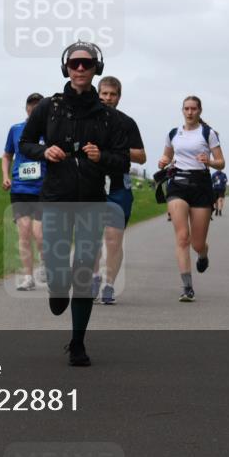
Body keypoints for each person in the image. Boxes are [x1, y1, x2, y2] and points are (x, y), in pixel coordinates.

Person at [20, 41, 129, 366]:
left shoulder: (109, 118)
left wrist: (103, 156)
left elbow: (124, 159)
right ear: (65, 68)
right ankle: (56, 287)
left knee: (83, 268)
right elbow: (25, 142)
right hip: (55, 198)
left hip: (92, 201)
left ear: (97, 68)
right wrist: (44, 152)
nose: (80, 69)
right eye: (75, 63)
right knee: (56, 263)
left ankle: (78, 343)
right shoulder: (49, 108)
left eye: (87, 63)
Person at [157, 96, 225, 303]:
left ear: (199, 110)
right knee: (182, 237)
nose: (189, 112)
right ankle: (187, 287)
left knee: (196, 243)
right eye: (186, 108)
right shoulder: (173, 133)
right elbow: (166, 157)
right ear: (182, 110)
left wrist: (210, 162)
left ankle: (203, 254)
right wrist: (163, 161)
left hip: (201, 186)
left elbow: (221, 162)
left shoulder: (208, 133)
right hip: (177, 183)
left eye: (193, 109)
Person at [92, 76, 145, 305]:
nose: (107, 98)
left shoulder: (127, 123)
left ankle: (109, 284)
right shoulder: (87, 120)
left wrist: (115, 150)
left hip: (117, 186)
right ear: (97, 94)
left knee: (113, 239)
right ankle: (94, 278)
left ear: (119, 97)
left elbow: (141, 156)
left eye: (112, 94)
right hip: (91, 183)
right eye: (104, 94)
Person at [2, 93, 46, 291]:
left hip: (43, 189)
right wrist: (5, 175)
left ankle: (45, 264)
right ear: (26, 108)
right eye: (31, 105)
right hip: (20, 188)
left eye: (38, 106)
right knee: (24, 233)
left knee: (40, 233)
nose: (34, 109)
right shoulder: (15, 129)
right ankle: (28, 277)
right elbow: (7, 155)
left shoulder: (51, 130)